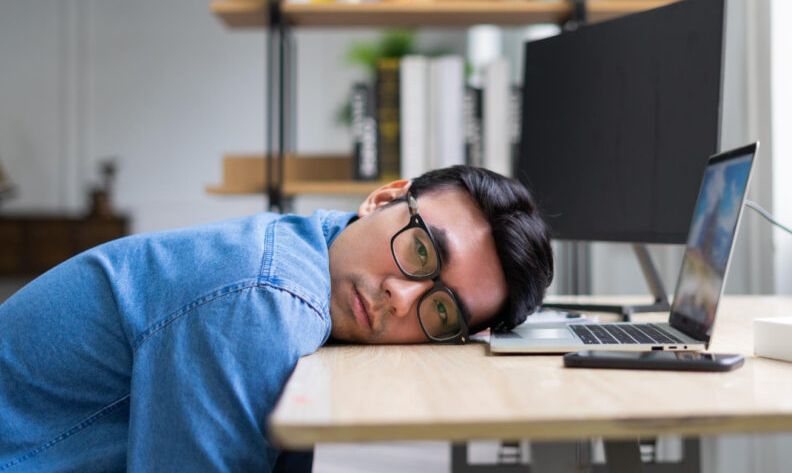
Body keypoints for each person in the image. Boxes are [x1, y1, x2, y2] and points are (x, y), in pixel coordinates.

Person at [0, 165, 553, 471]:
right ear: (384, 197)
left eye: (441, 309)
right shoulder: (264, 298)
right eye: (421, 251)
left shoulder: (306, 242)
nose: (400, 298)